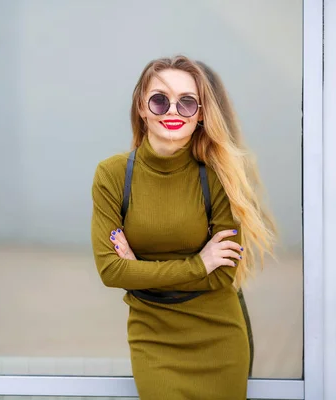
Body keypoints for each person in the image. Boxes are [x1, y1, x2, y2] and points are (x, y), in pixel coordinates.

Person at [90, 55, 276, 399]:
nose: (172, 111)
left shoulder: (221, 174)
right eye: (160, 99)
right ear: (142, 107)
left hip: (218, 337)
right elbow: (111, 271)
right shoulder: (112, 174)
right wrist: (198, 263)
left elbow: (221, 275)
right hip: (153, 336)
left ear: (202, 114)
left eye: (187, 102)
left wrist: (139, 269)